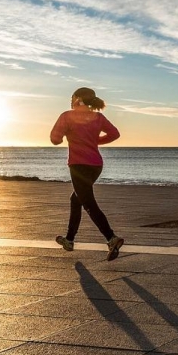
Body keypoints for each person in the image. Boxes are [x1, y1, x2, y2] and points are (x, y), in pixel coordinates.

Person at [49, 87, 125, 260]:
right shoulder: (98, 117)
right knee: (76, 199)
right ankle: (69, 239)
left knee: (88, 203)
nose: (70, 100)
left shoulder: (67, 116)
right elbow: (115, 134)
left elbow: (54, 139)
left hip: (78, 165)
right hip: (96, 165)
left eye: (71, 97)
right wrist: (95, 140)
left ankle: (111, 238)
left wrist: (63, 136)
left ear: (77, 99)